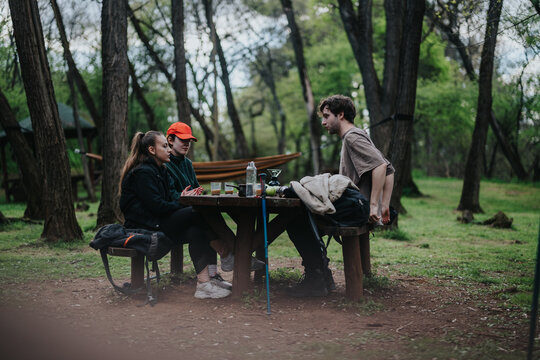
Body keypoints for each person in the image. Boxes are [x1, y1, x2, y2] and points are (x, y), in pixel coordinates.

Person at [286, 94, 394, 297]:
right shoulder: (357, 135)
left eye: (327, 116)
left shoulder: (353, 137)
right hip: (358, 206)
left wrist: (373, 206)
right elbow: (390, 169)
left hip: (357, 207)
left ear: (341, 115)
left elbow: (380, 167)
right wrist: (384, 205)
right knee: (303, 213)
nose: (323, 121)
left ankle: (317, 278)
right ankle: (320, 275)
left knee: (295, 218)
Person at [119, 130, 231, 299]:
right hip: (144, 226)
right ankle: (227, 252)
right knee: (199, 212)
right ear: (151, 150)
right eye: (164, 146)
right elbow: (157, 207)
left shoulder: (160, 170)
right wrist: (181, 201)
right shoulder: (143, 173)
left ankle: (205, 284)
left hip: (158, 220)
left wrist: (182, 197)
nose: (169, 150)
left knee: (196, 231)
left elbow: (167, 200)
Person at [164, 122, 263, 286]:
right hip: (176, 214)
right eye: (183, 140)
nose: (187, 144)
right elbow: (169, 194)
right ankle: (235, 255)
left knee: (208, 215)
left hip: (191, 209)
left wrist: (196, 193)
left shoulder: (187, 163)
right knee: (204, 219)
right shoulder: (165, 164)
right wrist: (183, 196)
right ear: (170, 140)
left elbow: (196, 188)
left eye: (189, 141)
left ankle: (219, 269)